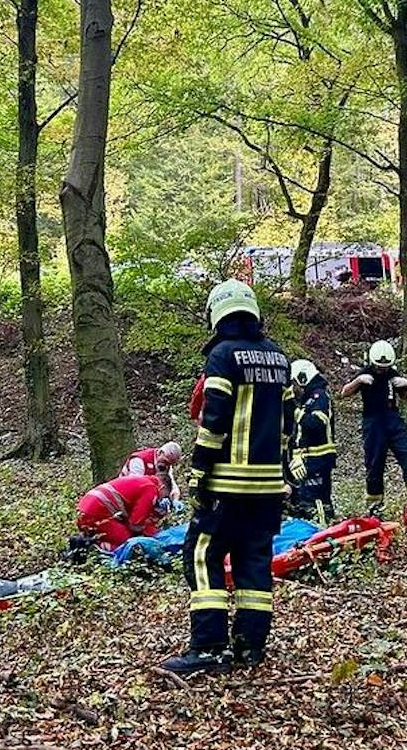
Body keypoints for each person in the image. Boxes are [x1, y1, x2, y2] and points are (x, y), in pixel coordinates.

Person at [161, 280, 294, 677]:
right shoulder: (279, 358)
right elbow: (286, 427)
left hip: (226, 484)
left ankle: (208, 647)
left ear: (216, 314)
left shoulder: (222, 356)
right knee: (255, 562)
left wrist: (199, 472)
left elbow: (214, 419)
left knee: (203, 555)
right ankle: (251, 647)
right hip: (267, 486)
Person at [340, 340, 407, 515]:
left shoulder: (392, 373)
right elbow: (344, 393)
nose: (382, 370)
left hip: (393, 420)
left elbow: (404, 396)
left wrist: (405, 385)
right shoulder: (366, 373)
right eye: (379, 367)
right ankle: (375, 507)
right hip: (373, 423)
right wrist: (358, 381)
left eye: (385, 367)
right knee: (375, 464)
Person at [288, 359, 336, 525]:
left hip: (319, 459)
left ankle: (322, 531)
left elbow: (315, 424)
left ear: (302, 378)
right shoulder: (306, 400)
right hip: (307, 460)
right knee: (304, 500)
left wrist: (294, 412)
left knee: (316, 502)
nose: (293, 388)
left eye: (294, 383)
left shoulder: (319, 397)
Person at [76, 473, 171, 549]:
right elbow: (135, 523)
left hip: (85, 507)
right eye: (163, 496)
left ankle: (89, 540)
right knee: (128, 544)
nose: (160, 499)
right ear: (162, 488)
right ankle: (91, 547)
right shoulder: (151, 489)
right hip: (96, 513)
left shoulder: (142, 481)